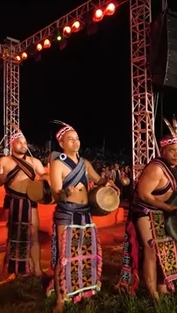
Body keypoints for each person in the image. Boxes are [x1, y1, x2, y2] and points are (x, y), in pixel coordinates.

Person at [46, 120, 119, 313]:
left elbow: (98, 179)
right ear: (62, 144)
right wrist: (64, 193)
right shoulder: (57, 163)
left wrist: (109, 182)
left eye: (77, 139)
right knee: (64, 255)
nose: (76, 142)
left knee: (82, 252)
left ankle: (80, 289)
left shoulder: (84, 163)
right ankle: (60, 299)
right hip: (67, 212)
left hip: (85, 212)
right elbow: (55, 193)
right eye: (71, 139)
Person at [117, 115, 177, 299]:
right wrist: (168, 208)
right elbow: (143, 195)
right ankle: (152, 293)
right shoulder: (156, 168)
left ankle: (162, 285)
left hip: (165, 210)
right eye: (172, 150)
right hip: (145, 210)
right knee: (150, 248)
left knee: (165, 248)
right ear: (163, 151)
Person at [0, 127, 48, 278]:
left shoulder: (34, 161)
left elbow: (44, 174)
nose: (23, 145)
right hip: (13, 201)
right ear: (12, 144)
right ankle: (15, 269)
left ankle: (37, 269)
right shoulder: (4, 161)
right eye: (19, 142)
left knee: (34, 235)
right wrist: (2, 179)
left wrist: (44, 178)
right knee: (14, 235)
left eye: (24, 142)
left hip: (30, 202)